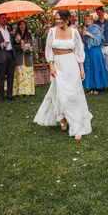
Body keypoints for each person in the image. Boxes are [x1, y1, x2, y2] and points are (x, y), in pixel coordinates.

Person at [34, 9, 92, 141]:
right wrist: (51, 66)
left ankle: (77, 126)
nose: (58, 21)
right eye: (57, 19)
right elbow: (49, 50)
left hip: (71, 65)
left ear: (67, 19)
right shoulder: (52, 32)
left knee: (73, 95)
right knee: (59, 94)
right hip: (58, 66)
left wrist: (81, 68)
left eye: (60, 19)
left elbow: (79, 50)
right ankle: (62, 117)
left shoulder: (74, 32)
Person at [0, 13, 17, 101]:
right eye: (2, 18)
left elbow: (12, 41)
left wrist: (17, 39)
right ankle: (1, 96)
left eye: (5, 18)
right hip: (0, 56)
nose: (4, 20)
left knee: (11, 76)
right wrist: (1, 45)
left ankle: (9, 94)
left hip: (10, 54)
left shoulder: (9, 29)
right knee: (1, 77)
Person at [81, 14, 108, 94]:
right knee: (89, 68)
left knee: (96, 67)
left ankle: (98, 86)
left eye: (89, 20)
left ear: (92, 21)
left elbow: (98, 39)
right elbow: (85, 41)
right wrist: (83, 35)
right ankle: (91, 87)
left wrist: (89, 34)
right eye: (86, 20)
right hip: (88, 51)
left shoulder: (96, 28)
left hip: (95, 51)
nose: (87, 21)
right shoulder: (85, 28)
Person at [94, 7, 108, 88]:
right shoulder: (95, 24)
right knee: (101, 65)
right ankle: (103, 82)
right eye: (98, 12)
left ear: (103, 13)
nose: (99, 14)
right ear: (97, 14)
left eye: (100, 12)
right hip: (99, 47)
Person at [14, 20, 35, 97]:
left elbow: (33, 46)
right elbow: (13, 46)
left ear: (25, 26)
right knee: (20, 75)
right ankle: (20, 92)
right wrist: (19, 44)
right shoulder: (15, 35)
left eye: (23, 24)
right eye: (20, 24)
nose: (22, 26)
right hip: (19, 58)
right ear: (18, 26)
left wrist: (27, 47)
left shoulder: (29, 35)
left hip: (27, 58)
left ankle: (28, 92)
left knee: (27, 75)